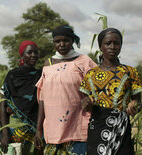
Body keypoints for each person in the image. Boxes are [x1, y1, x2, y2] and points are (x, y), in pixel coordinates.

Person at [34, 25, 97, 154]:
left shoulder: (84, 62)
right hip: (52, 130)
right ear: (53, 42)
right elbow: (42, 99)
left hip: (78, 129)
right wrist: (39, 129)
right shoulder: (48, 64)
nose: (62, 44)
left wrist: (89, 100)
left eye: (66, 40)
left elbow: (97, 89)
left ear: (72, 41)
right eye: (57, 41)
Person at [79, 28, 142, 155]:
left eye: (117, 43)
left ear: (121, 46)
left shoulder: (131, 72)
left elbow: (139, 102)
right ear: (100, 46)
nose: (112, 47)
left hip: (121, 128)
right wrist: (85, 102)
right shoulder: (90, 74)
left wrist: (134, 105)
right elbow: (85, 101)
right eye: (108, 43)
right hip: (97, 126)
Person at [0, 40, 42, 155]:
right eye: (29, 52)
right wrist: (5, 134)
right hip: (15, 128)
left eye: (35, 52)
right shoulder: (12, 75)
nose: (33, 55)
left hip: (35, 129)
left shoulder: (42, 75)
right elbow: (2, 104)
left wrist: (39, 130)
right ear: (22, 55)